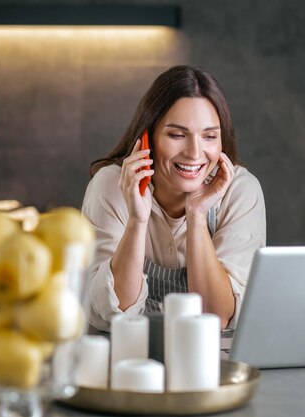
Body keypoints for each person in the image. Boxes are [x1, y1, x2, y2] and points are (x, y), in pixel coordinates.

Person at [82, 65, 266, 331]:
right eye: (177, 135)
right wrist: (137, 219)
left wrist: (197, 215)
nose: (194, 153)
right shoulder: (111, 185)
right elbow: (112, 313)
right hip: (127, 357)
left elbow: (217, 317)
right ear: (148, 137)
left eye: (209, 136)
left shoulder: (240, 191)